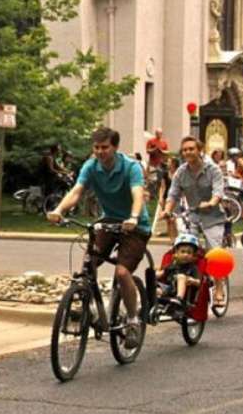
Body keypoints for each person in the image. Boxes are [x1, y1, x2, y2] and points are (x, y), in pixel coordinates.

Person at [47, 127, 151, 349]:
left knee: (122, 272)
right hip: (109, 220)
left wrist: (133, 217)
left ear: (114, 147)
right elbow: (77, 191)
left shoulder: (130, 167)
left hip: (134, 226)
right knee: (89, 262)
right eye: (96, 148)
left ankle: (132, 319)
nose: (100, 152)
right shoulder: (91, 167)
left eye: (105, 147)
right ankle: (90, 305)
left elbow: (137, 194)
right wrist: (59, 210)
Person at [159, 135, 227, 306]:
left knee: (214, 252)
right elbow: (173, 194)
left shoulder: (213, 170)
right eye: (185, 150)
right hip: (193, 217)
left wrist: (211, 202)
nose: (188, 152)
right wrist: (167, 210)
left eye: (191, 149)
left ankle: (219, 288)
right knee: (185, 250)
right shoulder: (181, 173)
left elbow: (218, 192)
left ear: (199, 150)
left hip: (213, 217)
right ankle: (186, 286)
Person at [155, 232, 201, 319]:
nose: (185, 255)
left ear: (193, 256)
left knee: (181, 276)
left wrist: (192, 280)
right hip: (169, 290)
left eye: (189, 252)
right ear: (176, 253)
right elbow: (162, 273)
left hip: (185, 295)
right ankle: (148, 302)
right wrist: (154, 275)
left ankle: (178, 299)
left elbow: (199, 282)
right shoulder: (172, 265)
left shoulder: (193, 268)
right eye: (182, 252)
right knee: (155, 287)